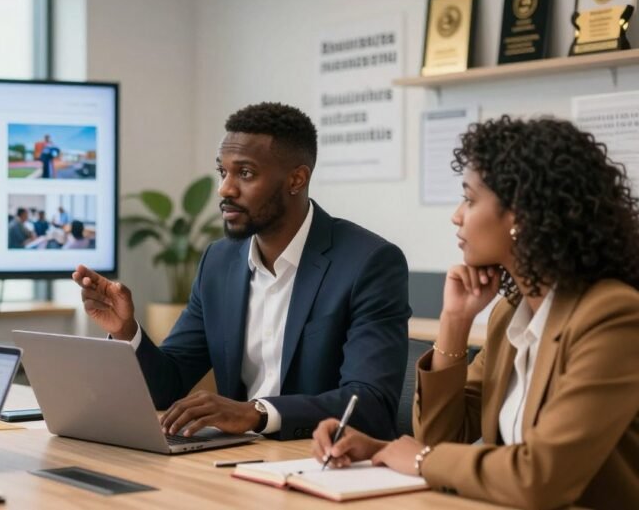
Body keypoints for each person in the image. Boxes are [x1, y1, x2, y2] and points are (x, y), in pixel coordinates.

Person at [311, 117, 639, 510]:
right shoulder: (510, 315)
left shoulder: (612, 316)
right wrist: (455, 321)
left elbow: (541, 477)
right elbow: (442, 440)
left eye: (469, 198)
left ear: (520, 214)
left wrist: (420, 459)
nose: (456, 215)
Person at [73, 102, 410, 440]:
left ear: (296, 179)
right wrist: (126, 331)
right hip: (238, 460)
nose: (225, 189)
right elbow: (168, 385)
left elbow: (370, 403)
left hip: (319, 460)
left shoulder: (369, 263)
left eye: (245, 173)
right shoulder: (219, 262)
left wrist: (257, 413)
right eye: (223, 172)